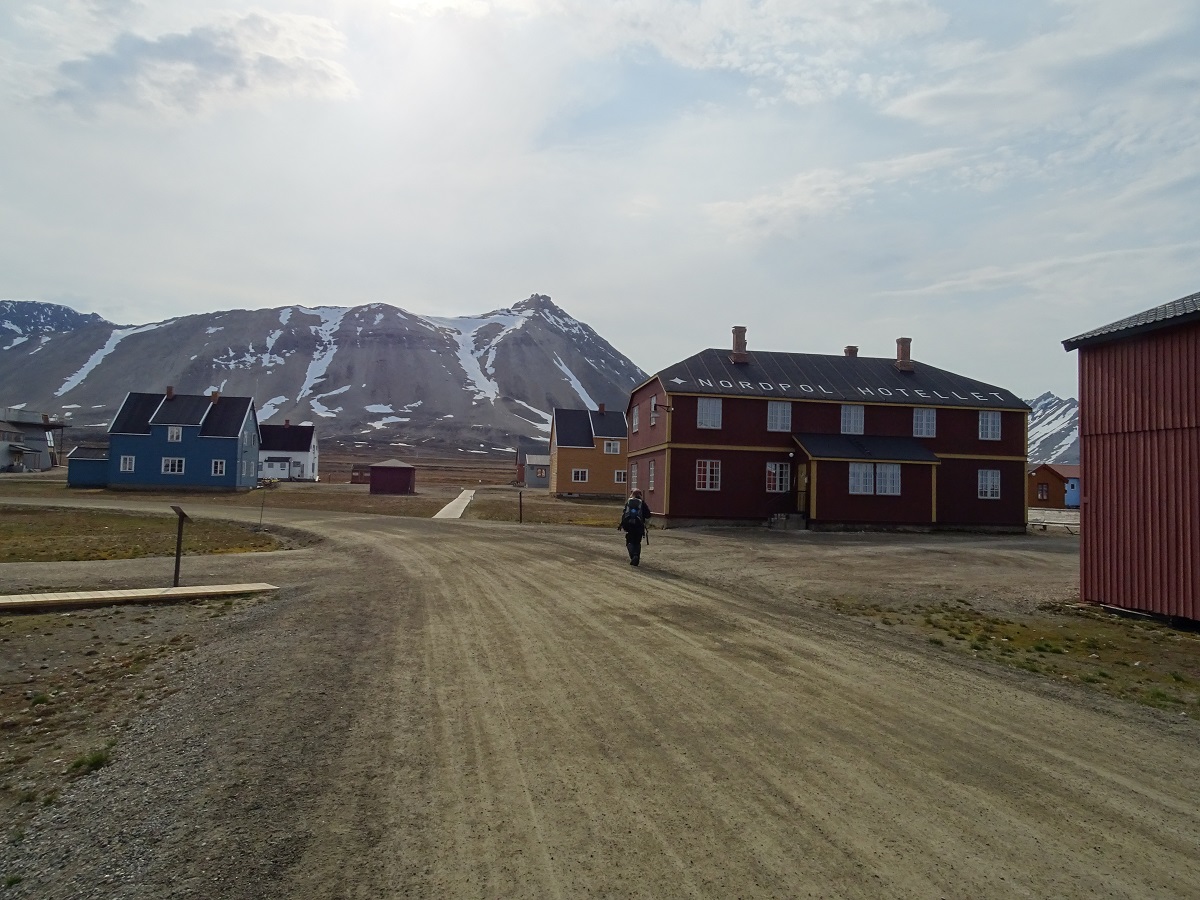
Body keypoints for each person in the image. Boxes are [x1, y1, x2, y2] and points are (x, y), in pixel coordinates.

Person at [617, 489, 652, 566]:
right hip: (639, 525)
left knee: (629, 541)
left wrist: (623, 524)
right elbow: (648, 515)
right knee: (637, 542)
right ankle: (636, 556)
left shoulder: (629, 502)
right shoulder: (642, 503)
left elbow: (624, 513)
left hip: (629, 525)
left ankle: (633, 556)